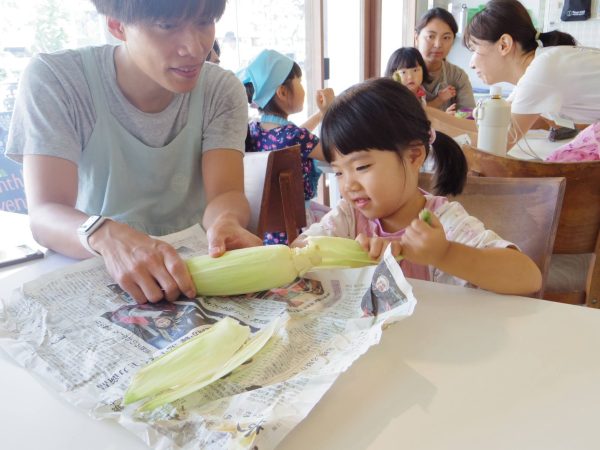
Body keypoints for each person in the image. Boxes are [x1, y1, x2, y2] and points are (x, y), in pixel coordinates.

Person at [4, 0, 262, 304]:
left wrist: (225, 221)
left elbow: (225, 194)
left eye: (204, 21)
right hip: (94, 265)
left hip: (190, 271)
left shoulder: (222, 89)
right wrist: (104, 235)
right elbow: (45, 212)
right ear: (116, 25)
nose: (194, 48)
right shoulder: (57, 79)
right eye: (167, 26)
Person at [293, 78, 541, 296]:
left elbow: (528, 277)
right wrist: (344, 253)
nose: (348, 185)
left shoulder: (439, 221)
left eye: (361, 167)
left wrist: (444, 254)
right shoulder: (348, 217)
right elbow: (297, 252)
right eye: (338, 172)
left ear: (414, 156)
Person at [462, 0, 600, 154]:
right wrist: (439, 120)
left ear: (504, 45)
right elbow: (492, 125)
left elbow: (494, 146)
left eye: (474, 49)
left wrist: (440, 124)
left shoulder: (542, 70)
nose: (471, 64)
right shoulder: (538, 67)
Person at [238, 49, 334, 245]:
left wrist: (320, 115)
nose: (303, 88)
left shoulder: (254, 131)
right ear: (282, 92)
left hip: (264, 235)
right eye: (299, 81)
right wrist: (332, 111)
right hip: (298, 233)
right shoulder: (296, 137)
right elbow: (334, 152)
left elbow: (293, 136)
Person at [414, 7, 475, 113]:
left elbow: (468, 115)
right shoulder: (401, 71)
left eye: (446, 38)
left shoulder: (457, 76)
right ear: (416, 38)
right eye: (431, 36)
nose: (438, 44)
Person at [385, 47, 454, 114]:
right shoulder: (398, 97)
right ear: (393, 75)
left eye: (415, 70)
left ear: (423, 70)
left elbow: (423, 110)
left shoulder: (420, 90)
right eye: (403, 72)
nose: (410, 77)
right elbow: (414, 118)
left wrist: (440, 99)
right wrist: (444, 117)